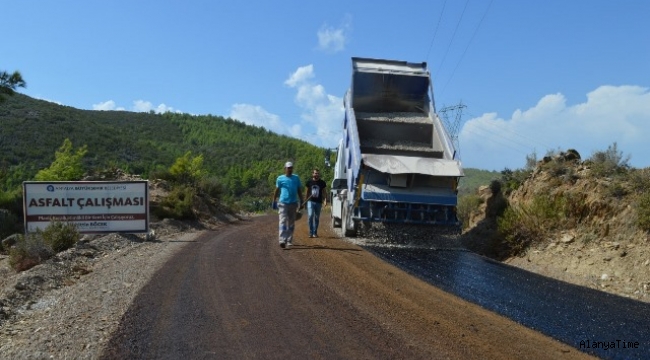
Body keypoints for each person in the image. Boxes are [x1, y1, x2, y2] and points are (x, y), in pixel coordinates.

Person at [272, 161, 304, 248]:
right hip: (283, 203)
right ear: (285, 169)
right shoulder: (280, 179)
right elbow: (277, 190)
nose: (290, 169)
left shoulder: (296, 178)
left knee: (291, 223)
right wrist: (274, 201)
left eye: (291, 168)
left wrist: (301, 201)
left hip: (293, 203)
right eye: (288, 168)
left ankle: (289, 240)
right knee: (282, 221)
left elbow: (299, 190)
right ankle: (282, 240)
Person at [304, 168, 327, 238]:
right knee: (310, 216)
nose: (316, 174)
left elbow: (324, 192)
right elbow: (307, 192)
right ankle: (311, 232)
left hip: (319, 202)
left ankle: (315, 232)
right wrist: (305, 201)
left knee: (317, 218)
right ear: (312, 174)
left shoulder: (322, 183)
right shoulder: (309, 182)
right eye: (315, 173)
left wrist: (325, 200)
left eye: (317, 173)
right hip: (310, 201)